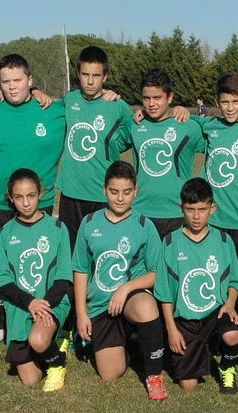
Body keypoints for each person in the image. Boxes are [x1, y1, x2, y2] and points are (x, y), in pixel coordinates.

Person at [0, 54, 66, 348]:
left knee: (41, 264)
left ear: (30, 80)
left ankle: (42, 315)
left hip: (38, 204)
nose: (12, 87)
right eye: (5, 81)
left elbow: (92, 108)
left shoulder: (54, 111)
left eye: (18, 80)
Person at [72, 161, 168, 400]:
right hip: (100, 305)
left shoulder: (145, 225)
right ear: (104, 190)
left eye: (127, 192)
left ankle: (154, 376)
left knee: (146, 307)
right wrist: (81, 314)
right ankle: (127, 342)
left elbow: (156, 274)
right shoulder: (89, 223)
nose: (120, 198)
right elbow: (81, 271)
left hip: (130, 299)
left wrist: (126, 288)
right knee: (110, 374)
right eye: (114, 192)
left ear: (135, 191)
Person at [155, 177, 238, 393]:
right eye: (190, 209)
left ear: (213, 208)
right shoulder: (170, 243)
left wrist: (230, 303)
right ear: (181, 208)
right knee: (188, 386)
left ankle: (227, 367)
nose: (196, 216)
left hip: (216, 314)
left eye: (202, 209)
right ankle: (190, 350)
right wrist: (171, 329)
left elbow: (235, 281)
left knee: (232, 334)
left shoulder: (224, 241)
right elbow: (164, 293)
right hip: (185, 321)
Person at [0, 168, 72, 392]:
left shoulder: (57, 229)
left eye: (31, 195)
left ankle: (56, 363)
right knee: (30, 379)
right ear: (11, 198)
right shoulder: (5, 233)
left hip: (52, 303)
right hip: (20, 307)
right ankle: (55, 345)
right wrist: (30, 303)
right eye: (19, 197)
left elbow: (64, 278)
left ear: (41, 193)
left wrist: (42, 306)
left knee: (37, 339)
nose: (26, 203)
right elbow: (2, 282)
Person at [57, 46, 134, 250]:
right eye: (85, 75)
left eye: (96, 76)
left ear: (105, 76)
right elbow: (45, 109)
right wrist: (35, 90)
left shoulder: (117, 105)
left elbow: (134, 132)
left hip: (102, 193)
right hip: (72, 192)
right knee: (70, 252)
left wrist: (112, 145)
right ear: (78, 75)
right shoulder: (69, 100)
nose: (90, 81)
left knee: (102, 250)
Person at [194, 73, 238, 269]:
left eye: (235, 101)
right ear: (217, 102)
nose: (230, 107)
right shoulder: (210, 126)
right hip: (213, 220)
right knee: (216, 274)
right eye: (225, 102)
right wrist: (179, 110)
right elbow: (185, 120)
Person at [129, 68, 205, 238]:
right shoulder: (135, 125)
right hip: (141, 211)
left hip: (177, 212)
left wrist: (190, 114)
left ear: (170, 97)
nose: (151, 104)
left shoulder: (188, 127)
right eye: (146, 98)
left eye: (157, 98)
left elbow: (218, 131)